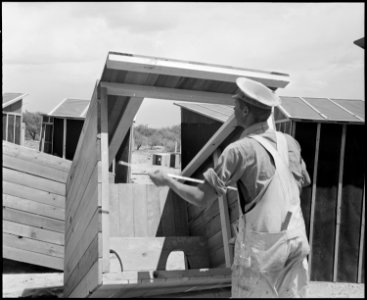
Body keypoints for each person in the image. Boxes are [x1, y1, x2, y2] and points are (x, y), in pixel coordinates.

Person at [149, 77, 311, 298]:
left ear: (245, 111)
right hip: (296, 242)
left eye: (236, 106)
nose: (233, 110)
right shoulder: (290, 143)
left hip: (266, 253)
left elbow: (200, 197)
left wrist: (168, 181)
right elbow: (296, 186)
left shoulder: (239, 150)